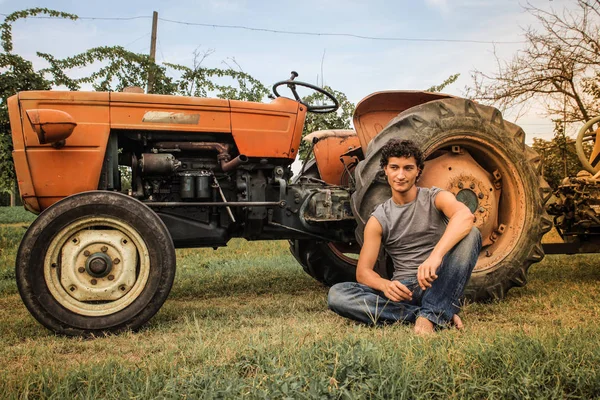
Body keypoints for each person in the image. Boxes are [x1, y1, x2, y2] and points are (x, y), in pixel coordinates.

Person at [328, 139, 482, 334]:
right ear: (385, 169)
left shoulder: (435, 198)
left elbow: (465, 216)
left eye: (408, 168)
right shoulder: (378, 219)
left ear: (418, 171)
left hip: (439, 279)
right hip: (404, 290)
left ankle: (430, 315)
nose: (400, 175)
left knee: (472, 234)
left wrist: (435, 257)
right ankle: (432, 312)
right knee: (337, 295)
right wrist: (385, 285)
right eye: (394, 167)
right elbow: (363, 272)